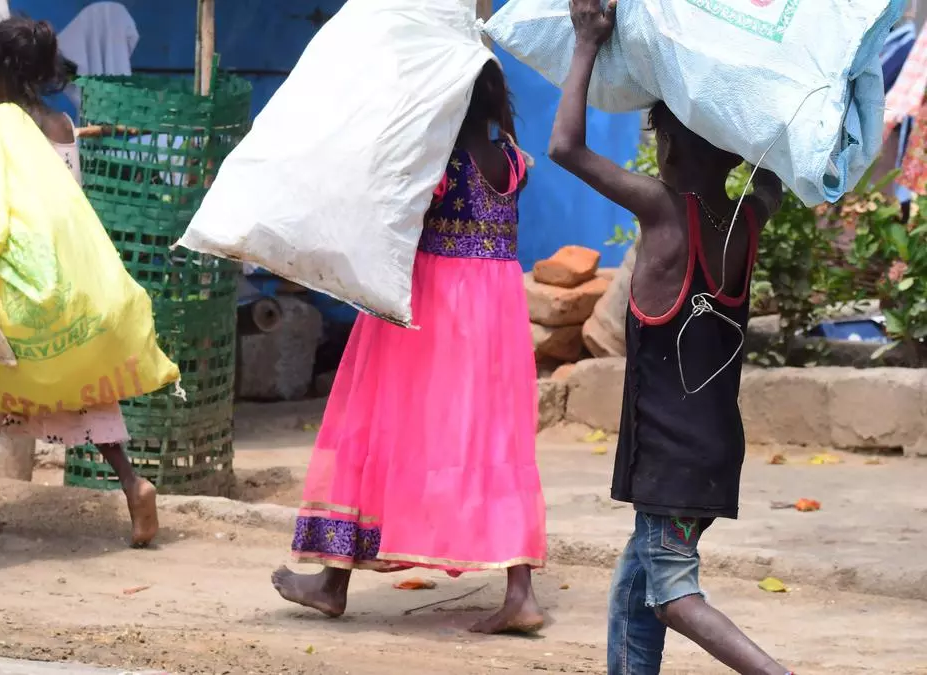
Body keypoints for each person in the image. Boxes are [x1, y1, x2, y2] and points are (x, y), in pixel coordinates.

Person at [548, 1, 791, 673]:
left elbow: (564, 146)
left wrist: (586, 41)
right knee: (635, 588)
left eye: (657, 134)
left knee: (671, 593)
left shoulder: (662, 214)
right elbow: (773, 175)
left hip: (670, 462)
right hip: (714, 453)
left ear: (671, 146)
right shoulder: (747, 222)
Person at [271, 59, 548, 635]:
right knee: (497, 441)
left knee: (373, 423)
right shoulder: (516, 162)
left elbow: (386, 212)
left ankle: (332, 582)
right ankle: (520, 592)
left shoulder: (439, 163)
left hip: (431, 305)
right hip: (496, 312)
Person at [0, 17, 158, 549]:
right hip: (73, 283)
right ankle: (133, 485)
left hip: (19, 286)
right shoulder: (61, 125)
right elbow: (68, 203)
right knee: (88, 396)